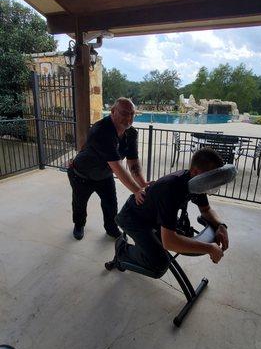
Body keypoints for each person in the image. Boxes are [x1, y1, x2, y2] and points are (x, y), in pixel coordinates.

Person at [113, 148, 229, 278]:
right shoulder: (171, 188)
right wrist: (209, 248)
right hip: (133, 218)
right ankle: (122, 249)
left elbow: (206, 210)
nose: (213, 183)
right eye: (211, 178)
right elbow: (170, 242)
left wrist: (221, 225)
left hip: (154, 217)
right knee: (159, 264)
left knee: (177, 237)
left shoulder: (197, 184)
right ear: (196, 172)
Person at [68, 97, 148, 240]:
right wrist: (137, 191)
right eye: (124, 113)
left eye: (132, 113)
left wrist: (143, 184)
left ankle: (111, 228)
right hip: (81, 174)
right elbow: (117, 166)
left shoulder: (131, 134)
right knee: (80, 203)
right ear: (112, 112)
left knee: (110, 204)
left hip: (104, 175)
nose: (129, 118)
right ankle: (79, 225)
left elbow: (133, 163)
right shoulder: (101, 130)